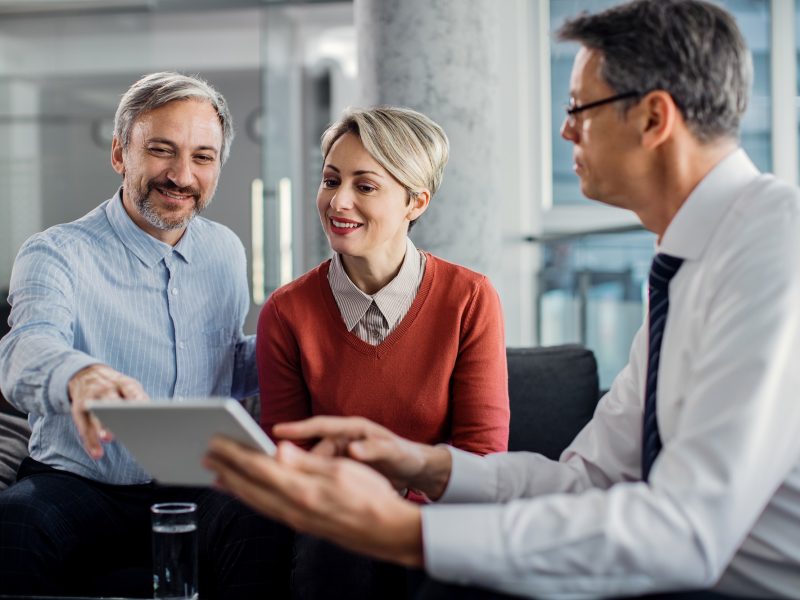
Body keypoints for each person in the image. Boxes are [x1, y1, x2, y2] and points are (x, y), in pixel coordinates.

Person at [205, 1, 800, 598]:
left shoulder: (774, 248)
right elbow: (590, 480)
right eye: (332, 179)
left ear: (652, 119)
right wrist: (423, 465)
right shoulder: (685, 267)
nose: (566, 129)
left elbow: (686, 531)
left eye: (579, 110)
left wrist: (409, 532)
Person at [0, 72, 291, 599]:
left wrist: (305, 350)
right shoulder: (56, 252)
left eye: (203, 157)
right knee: (15, 525)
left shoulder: (224, 251)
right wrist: (80, 375)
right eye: (162, 150)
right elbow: (26, 350)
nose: (182, 175)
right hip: (80, 483)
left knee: (267, 519)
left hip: (200, 481)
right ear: (120, 153)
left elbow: (221, 361)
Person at [257, 106, 509, 598]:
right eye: (331, 180)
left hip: (439, 521)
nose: (338, 202)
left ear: (416, 202)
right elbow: (289, 456)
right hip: (334, 527)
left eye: (364, 186)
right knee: (336, 550)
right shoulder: (287, 313)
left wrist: (396, 503)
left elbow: (481, 456)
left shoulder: (470, 298)